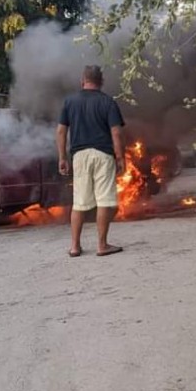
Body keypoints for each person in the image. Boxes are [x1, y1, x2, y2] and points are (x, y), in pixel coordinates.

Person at [56, 65, 126, 258]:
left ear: (82, 81)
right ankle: (102, 245)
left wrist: (62, 157)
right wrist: (120, 157)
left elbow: (61, 131)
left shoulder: (70, 102)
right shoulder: (108, 102)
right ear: (101, 82)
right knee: (104, 200)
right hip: (103, 155)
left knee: (79, 202)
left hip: (79, 156)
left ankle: (75, 247)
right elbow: (116, 132)